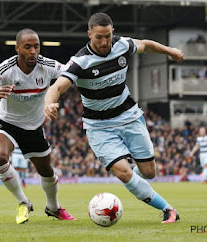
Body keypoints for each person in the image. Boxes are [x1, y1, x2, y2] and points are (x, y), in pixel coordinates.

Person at [44, 12, 185, 224]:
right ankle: (168, 209)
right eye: (98, 37)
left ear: (113, 32)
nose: (104, 42)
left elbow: (147, 44)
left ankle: (131, 179)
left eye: (107, 36)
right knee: (123, 172)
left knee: (149, 172)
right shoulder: (80, 62)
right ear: (89, 34)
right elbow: (58, 86)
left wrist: (171, 51)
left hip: (130, 116)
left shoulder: (123, 45)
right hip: (99, 127)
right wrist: (49, 103)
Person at [0, 28, 76, 224]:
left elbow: (71, 75)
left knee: (46, 171)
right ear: (17, 48)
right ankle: (23, 202)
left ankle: (53, 207)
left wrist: (53, 99)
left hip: (33, 125)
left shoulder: (47, 66)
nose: (33, 51)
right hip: (7, 122)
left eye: (36, 46)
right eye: (27, 47)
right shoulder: (6, 68)